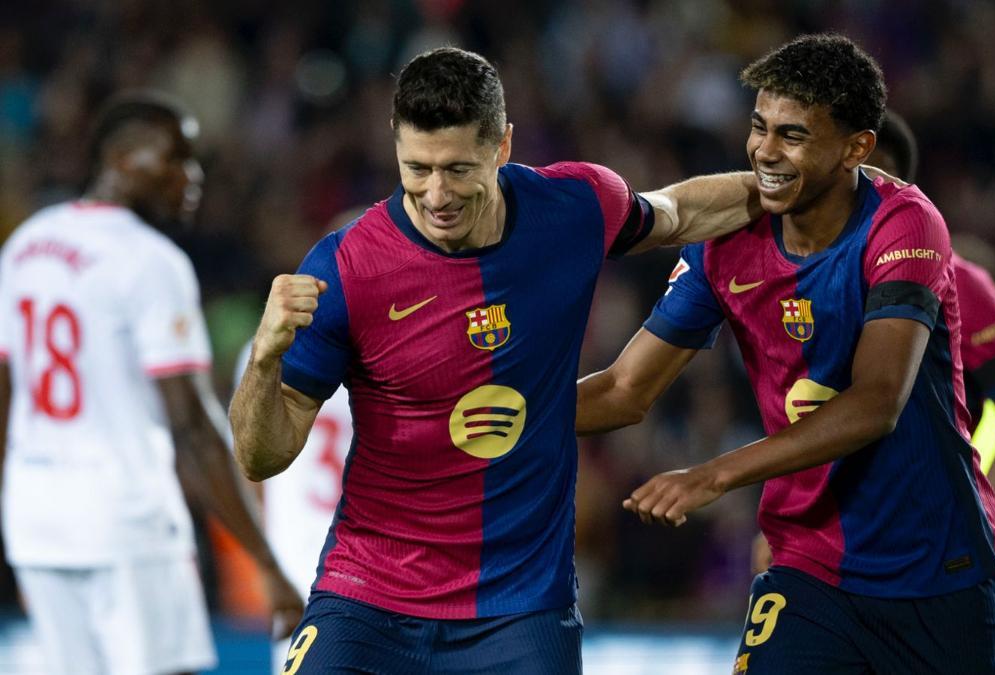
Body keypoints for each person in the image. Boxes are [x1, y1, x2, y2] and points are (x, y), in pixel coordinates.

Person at [229, 47, 760, 674]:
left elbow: (680, 211)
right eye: (416, 168)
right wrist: (264, 360)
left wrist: (808, 178)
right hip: (368, 597)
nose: (436, 194)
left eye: (457, 169)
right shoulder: (346, 267)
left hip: (519, 609)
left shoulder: (572, 207)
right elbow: (261, 457)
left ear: (502, 146)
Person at [577, 34, 995, 673]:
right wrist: (505, 413)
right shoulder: (726, 240)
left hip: (940, 570)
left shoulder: (905, 224)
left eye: (793, 135)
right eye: (759, 128)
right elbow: (624, 390)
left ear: (856, 148)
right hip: (810, 568)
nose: (765, 151)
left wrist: (714, 474)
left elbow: (876, 404)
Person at [0, 93, 303, 674]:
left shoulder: (25, 245)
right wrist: (266, 563)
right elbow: (191, 424)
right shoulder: (148, 261)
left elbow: (11, 394)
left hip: (35, 519)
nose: (191, 176)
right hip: (126, 520)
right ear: (121, 158)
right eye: (175, 158)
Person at [750, 109, 995, 668]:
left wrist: (984, 533)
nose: (859, 198)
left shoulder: (954, 277)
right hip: (823, 563)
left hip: (932, 571)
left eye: (875, 180)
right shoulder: (787, 271)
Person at [231, 211, 359, 674]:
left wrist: (263, 561)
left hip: (294, 559)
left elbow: (250, 469)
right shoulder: (391, 354)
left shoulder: (265, 350)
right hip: (374, 559)